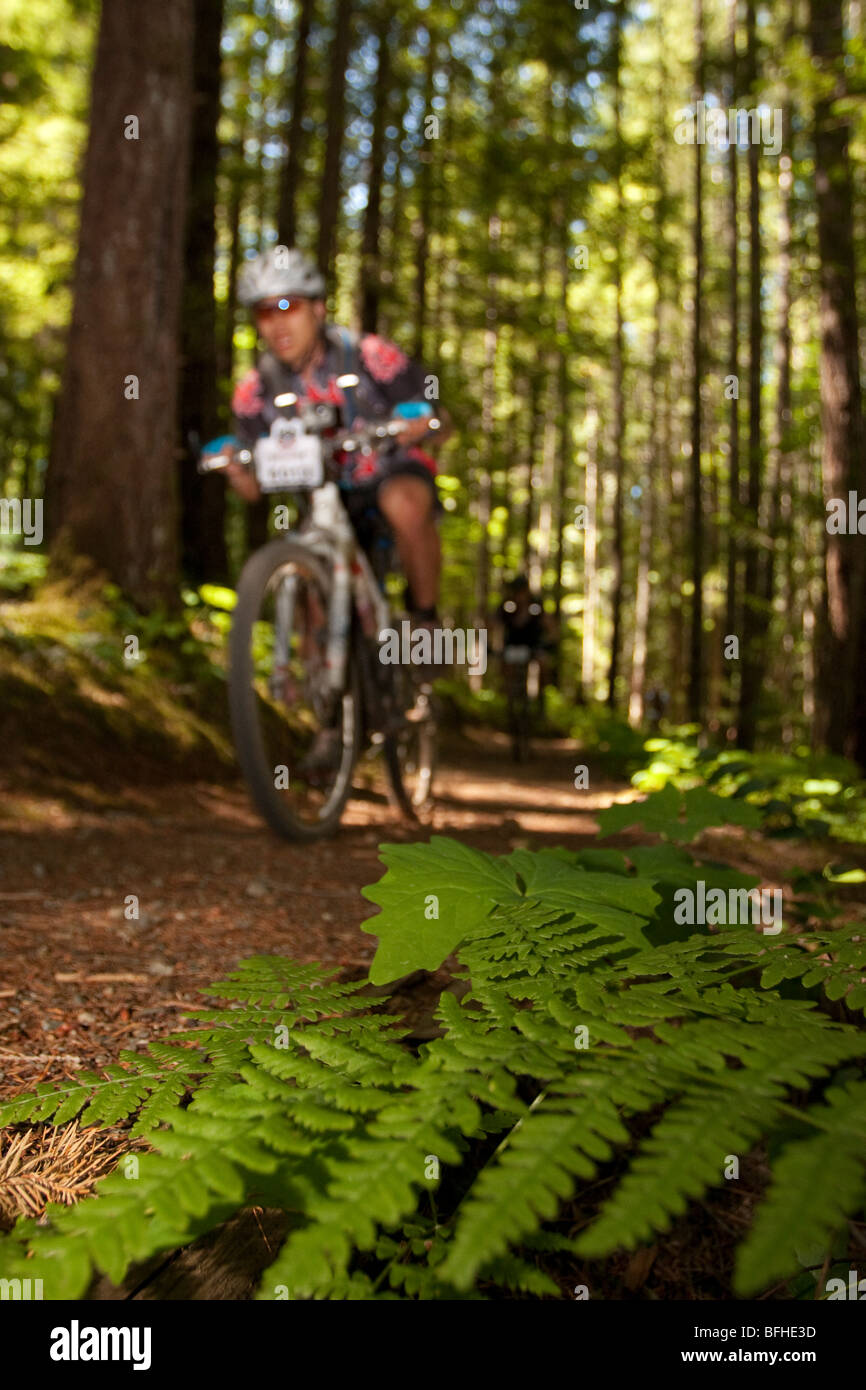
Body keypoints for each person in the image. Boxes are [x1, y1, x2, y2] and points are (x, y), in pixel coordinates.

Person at [221, 247, 450, 628]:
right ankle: (313, 674)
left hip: (389, 473)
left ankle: (425, 623)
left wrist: (423, 423)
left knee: (403, 503)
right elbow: (252, 491)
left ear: (317, 308)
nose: (278, 325)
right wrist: (236, 470)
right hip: (323, 499)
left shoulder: (370, 355)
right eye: (264, 312)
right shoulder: (254, 390)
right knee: (307, 578)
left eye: (287, 306)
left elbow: (442, 422)